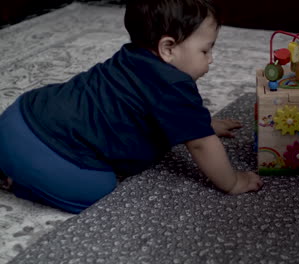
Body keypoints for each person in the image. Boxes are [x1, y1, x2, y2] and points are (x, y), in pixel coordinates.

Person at [0, 0, 263, 214]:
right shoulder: (174, 86)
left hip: (19, 116)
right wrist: (233, 182)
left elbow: (184, 122)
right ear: (168, 48)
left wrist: (203, 125)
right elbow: (201, 144)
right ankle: (19, 183)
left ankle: (11, 162)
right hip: (44, 153)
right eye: (206, 51)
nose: (212, 59)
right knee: (99, 191)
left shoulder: (131, 55)